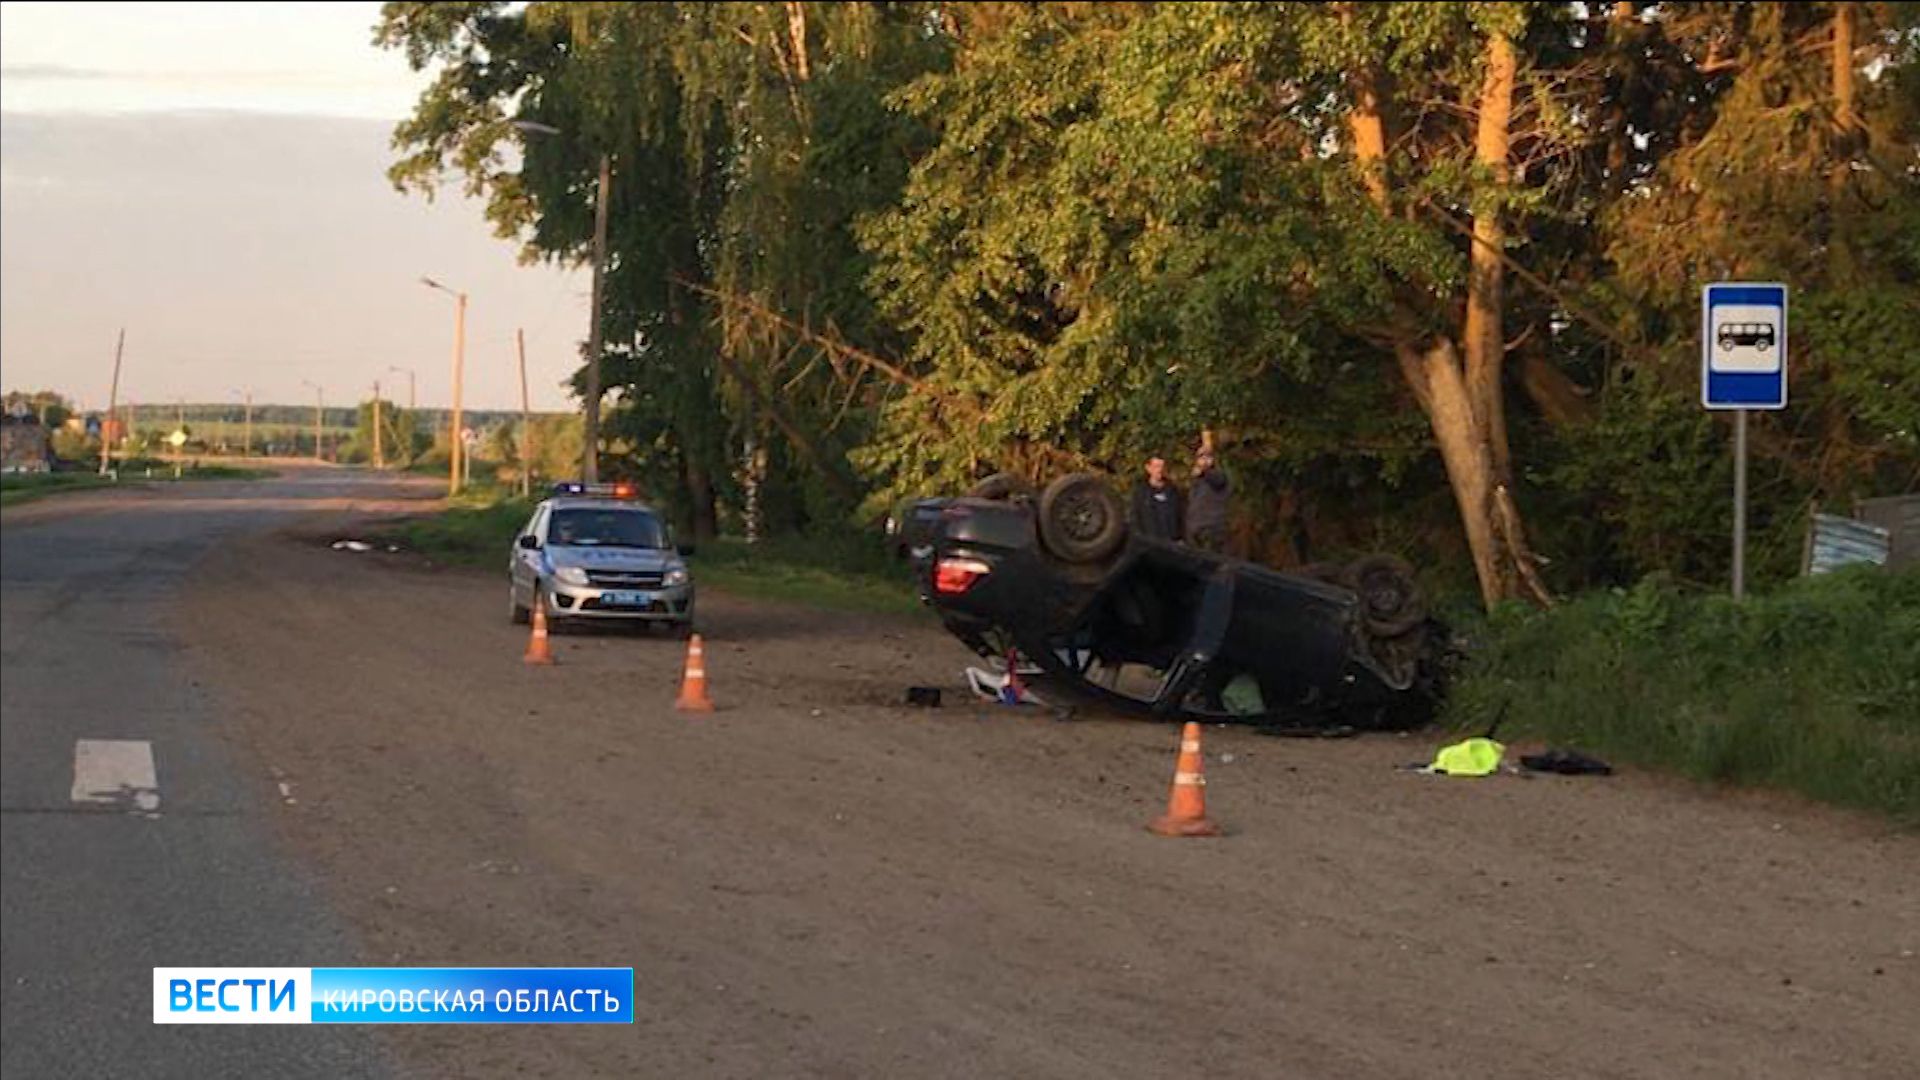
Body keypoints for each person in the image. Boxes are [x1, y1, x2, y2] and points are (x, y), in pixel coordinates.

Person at [1186, 445, 1231, 553]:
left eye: (1208, 457)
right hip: (1196, 527)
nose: (1204, 460)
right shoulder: (1197, 479)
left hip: (1212, 527)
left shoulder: (1218, 474)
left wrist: (1204, 471)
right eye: (1201, 457)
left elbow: (1218, 481)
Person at [1129, 455, 1184, 542]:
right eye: (1156, 466)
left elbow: (1181, 515)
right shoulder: (1141, 492)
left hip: (1172, 543)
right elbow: (1135, 518)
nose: (1160, 470)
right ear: (1148, 468)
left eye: (1162, 466)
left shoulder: (1173, 491)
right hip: (1151, 543)